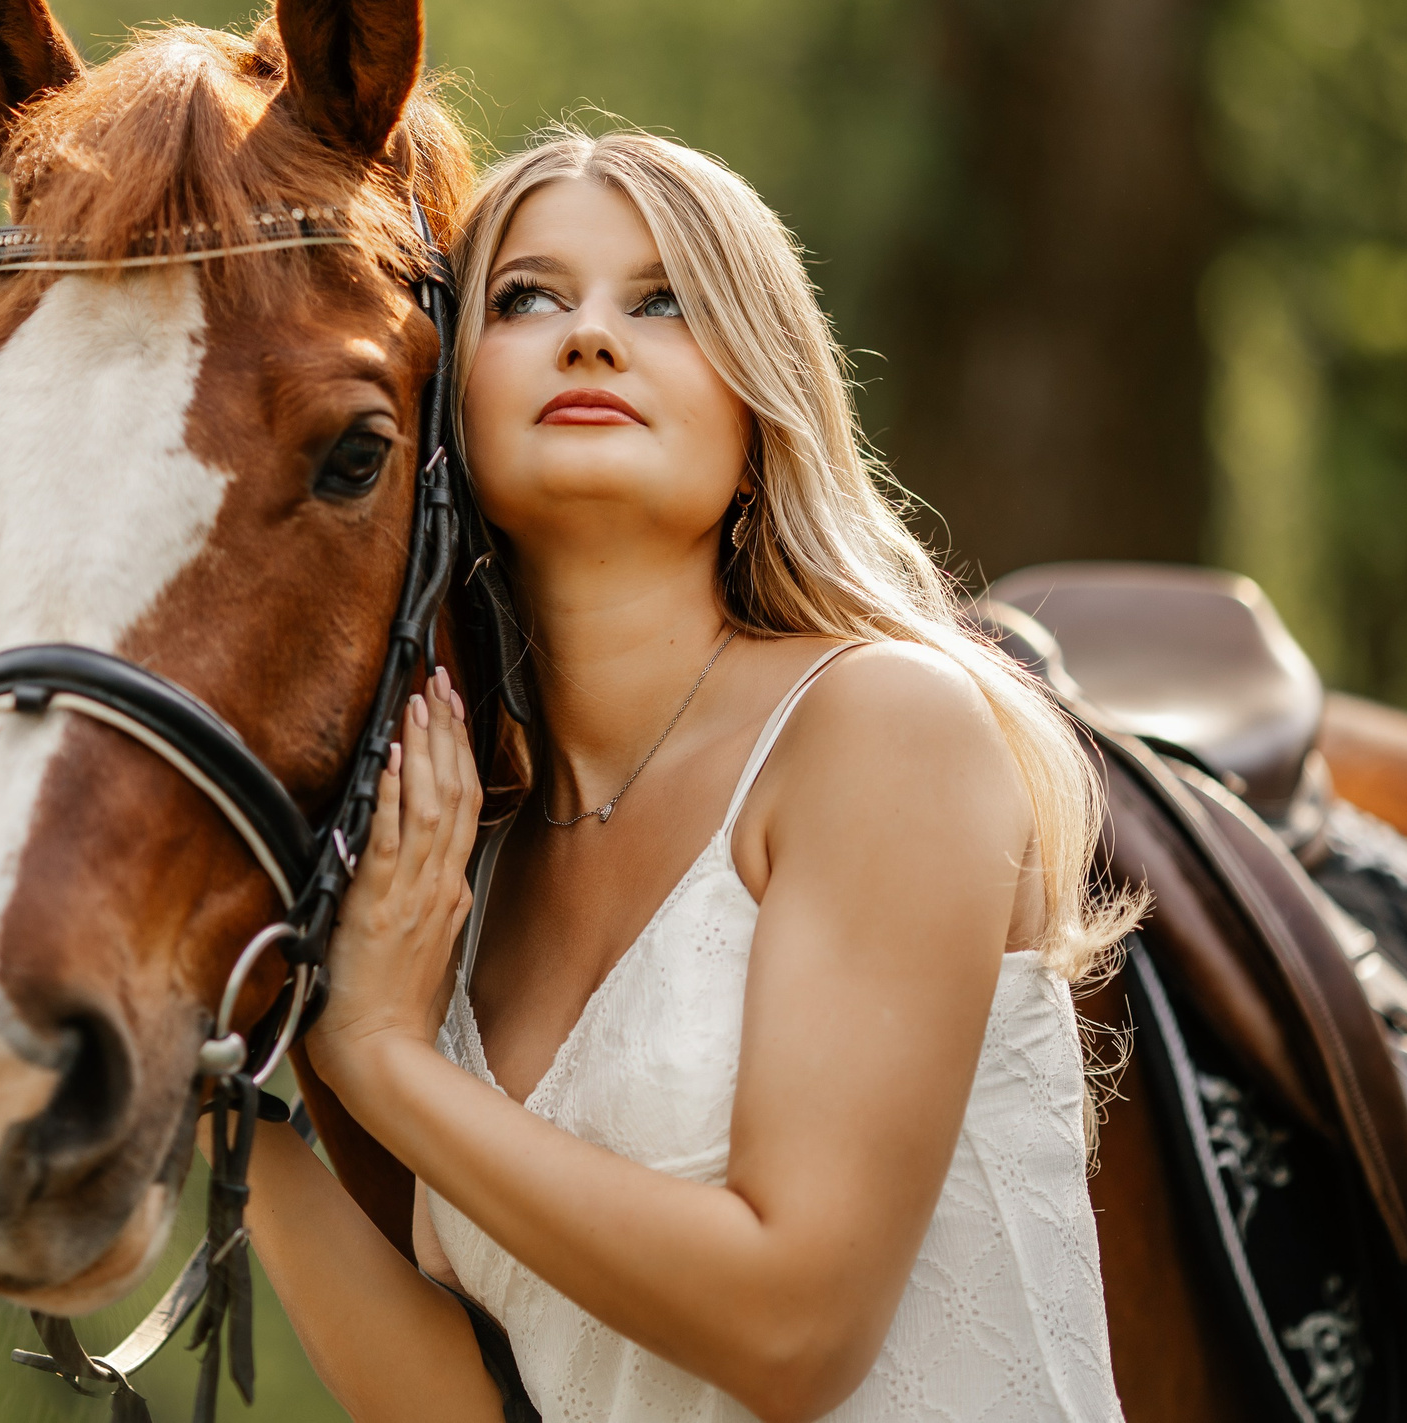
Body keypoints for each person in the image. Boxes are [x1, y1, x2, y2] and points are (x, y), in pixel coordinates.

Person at [234, 127, 1136, 1422]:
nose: (590, 335)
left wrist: (382, 1057)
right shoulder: (457, 861)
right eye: (525, 297)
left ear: (757, 391)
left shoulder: (881, 724)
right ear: (448, 401)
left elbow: (795, 1328)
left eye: (665, 303)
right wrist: (219, 1110)